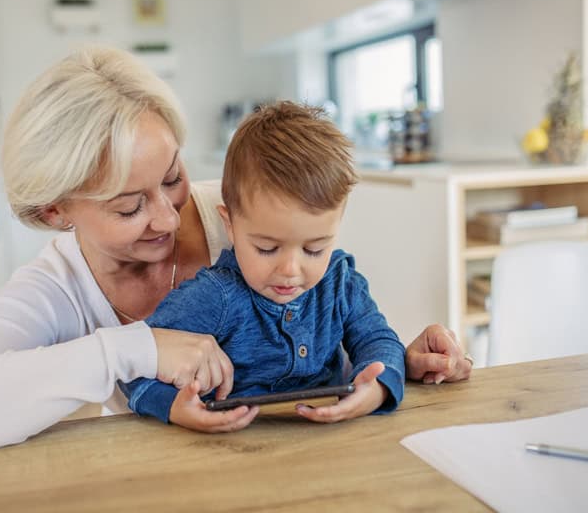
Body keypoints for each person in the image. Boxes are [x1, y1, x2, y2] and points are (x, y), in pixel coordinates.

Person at [0, 46, 471, 455]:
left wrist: (398, 358)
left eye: (173, 176)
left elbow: (326, 331)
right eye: (129, 206)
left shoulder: (258, 214)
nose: (167, 215)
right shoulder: (55, 289)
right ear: (53, 212)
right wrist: (127, 351)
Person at [125, 102, 405, 431]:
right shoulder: (213, 296)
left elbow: (380, 341)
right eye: (267, 248)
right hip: (233, 454)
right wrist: (175, 407)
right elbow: (135, 366)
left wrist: (378, 387)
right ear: (230, 226)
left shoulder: (340, 282)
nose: (290, 269)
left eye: (315, 249)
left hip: (328, 446)